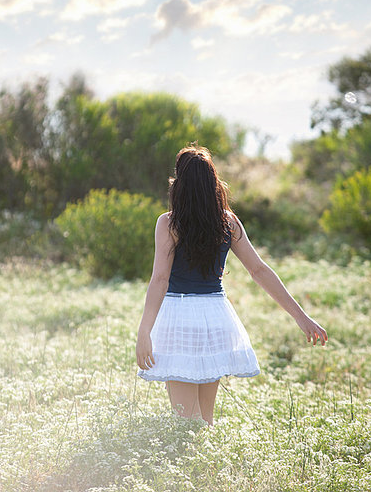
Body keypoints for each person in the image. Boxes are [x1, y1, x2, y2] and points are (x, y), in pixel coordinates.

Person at [136, 144, 328, 426]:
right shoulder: (228, 222)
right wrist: (302, 317)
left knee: (185, 422)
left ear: (180, 184)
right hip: (216, 319)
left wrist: (144, 331)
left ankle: (197, 469)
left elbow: (160, 279)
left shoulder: (168, 223)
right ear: (212, 183)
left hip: (179, 319)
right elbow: (259, 270)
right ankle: (208, 469)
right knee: (205, 420)